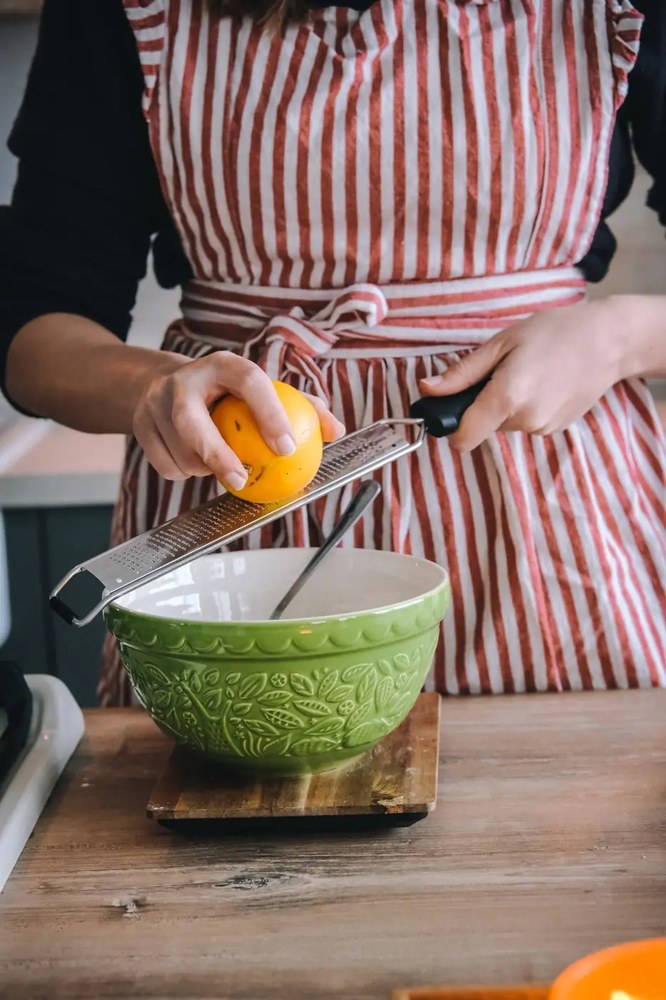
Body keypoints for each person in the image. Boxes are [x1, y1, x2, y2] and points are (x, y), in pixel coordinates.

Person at [0, 0, 664, 704]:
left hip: (551, 526)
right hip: (241, 517)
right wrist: (154, 388)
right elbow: (36, 329)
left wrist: (618, 337)